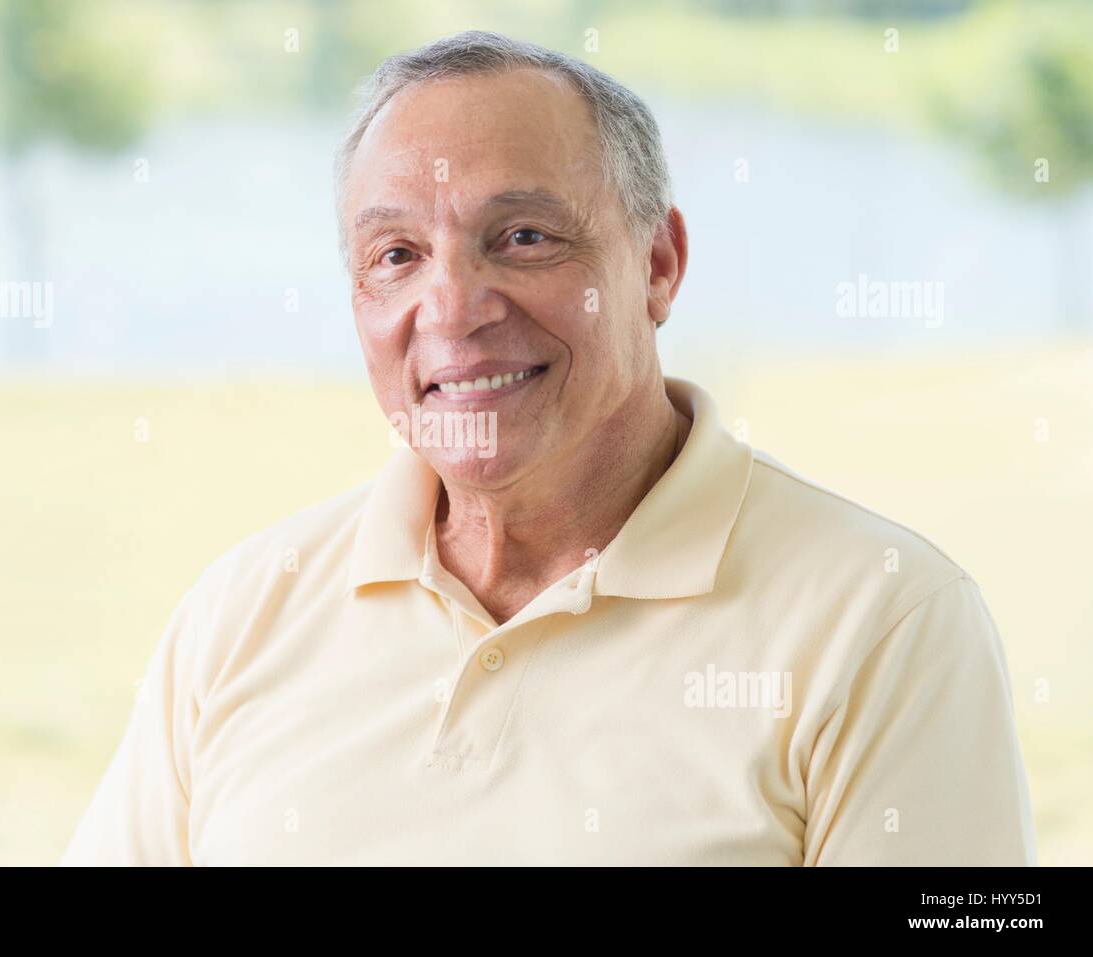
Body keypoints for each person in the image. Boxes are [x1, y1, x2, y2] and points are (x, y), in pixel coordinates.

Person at [61, 30, 1035, 866]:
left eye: (522, 237)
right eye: (395, 256)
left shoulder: (885, 617)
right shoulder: (240, 611)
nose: (450, 308)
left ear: (657, 266)